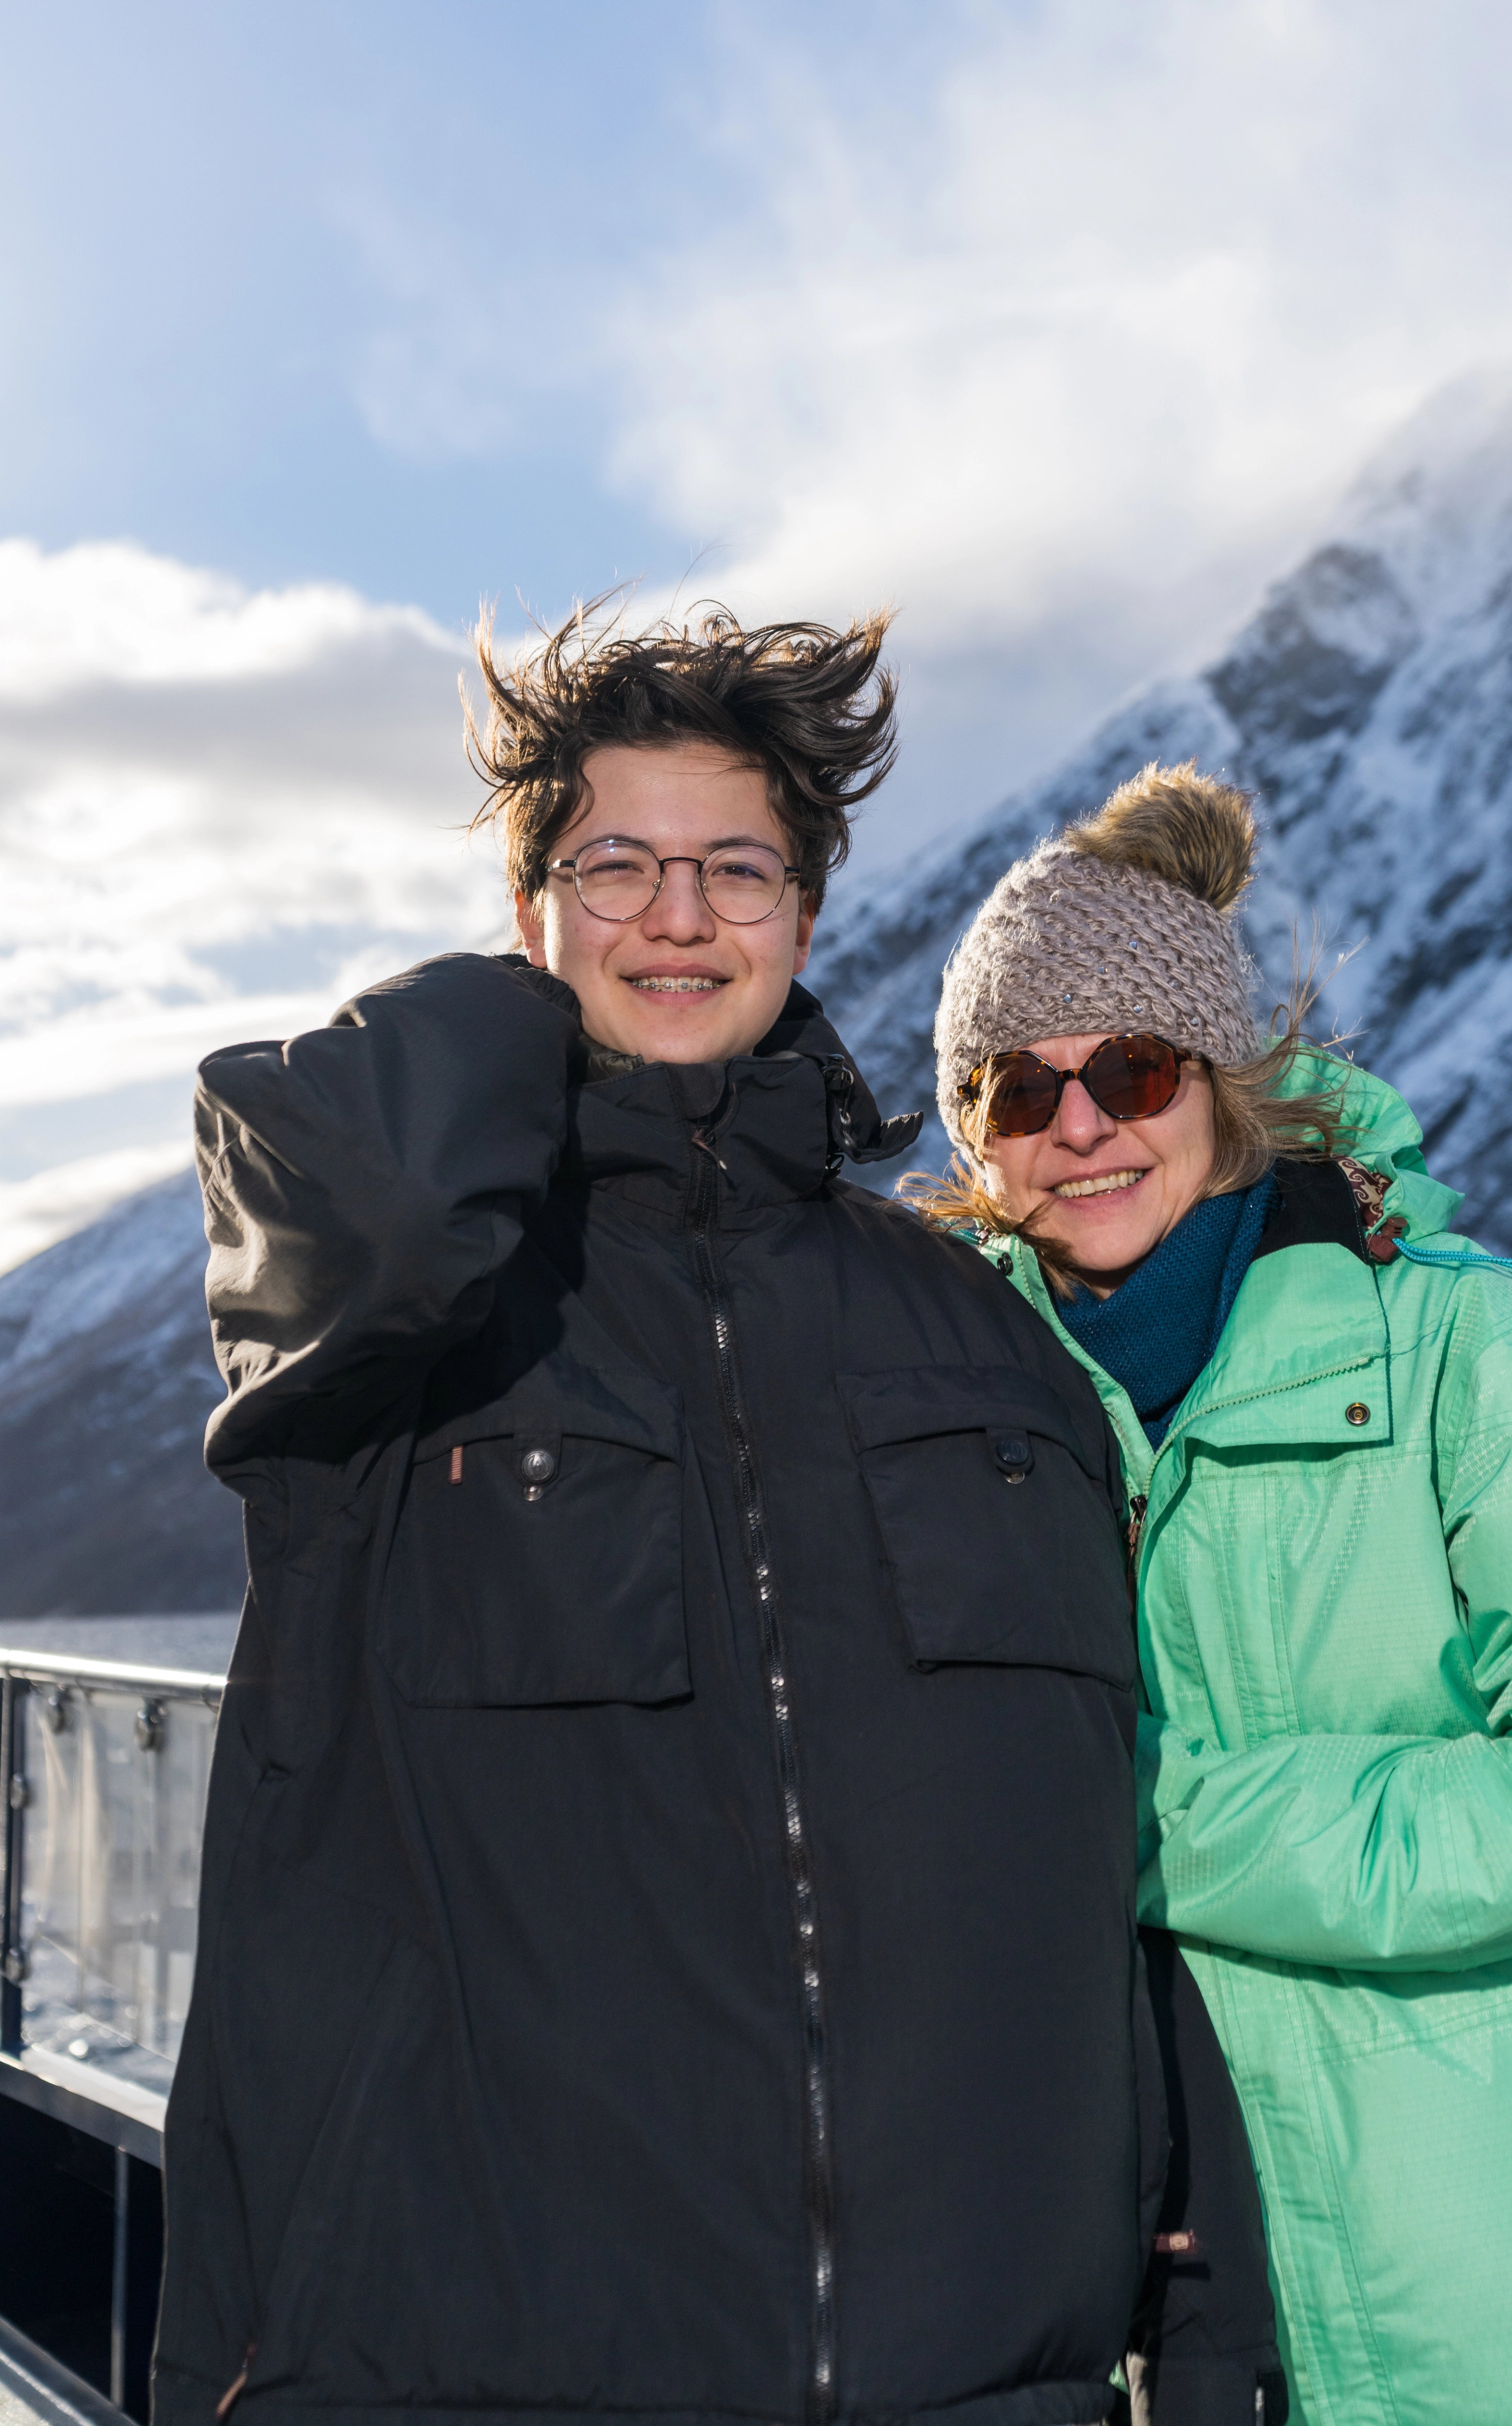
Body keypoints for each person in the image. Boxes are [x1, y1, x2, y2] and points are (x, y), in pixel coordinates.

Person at [155, 608, 1223, 2426]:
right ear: (528, 919)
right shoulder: (400, 1322)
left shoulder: (989, 1340)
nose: (678, 917)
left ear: (805, 918)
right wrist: (526, 1019)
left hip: (987, 2383)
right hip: (493, 2379)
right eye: (615, 868)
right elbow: (368, 1191)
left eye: (736, 869)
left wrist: (1198, 2332)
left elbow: (1120, 1861)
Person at [915, 762, 1512, 2426]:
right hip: (1209, 2327)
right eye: (1015, 1088)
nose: (1082, 1125)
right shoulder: (982, 1425)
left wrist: (1130, 1821)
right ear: (974, 1141)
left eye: (1132, 1069)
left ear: (1222, 1086)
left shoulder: (1477, 1358)